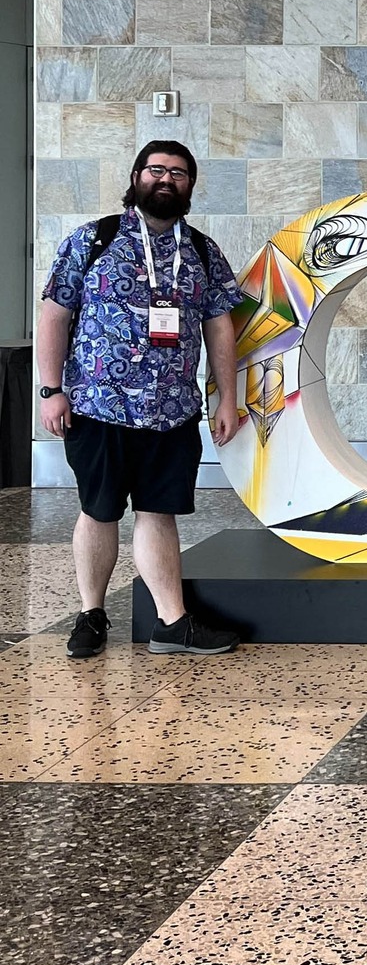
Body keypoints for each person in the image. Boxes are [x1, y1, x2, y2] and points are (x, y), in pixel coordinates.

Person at [37, 141, 245, 659]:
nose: (167, 179)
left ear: (190, 186)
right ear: (137, 176)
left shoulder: (201, 249)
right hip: (96, 405)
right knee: (99, 510)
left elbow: (220, 326)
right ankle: (91, 614)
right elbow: (54, 314)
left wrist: (226, 398)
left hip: (171, 410)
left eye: (179, 173)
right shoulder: (93, 239)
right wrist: (50, 389)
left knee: (159, 513)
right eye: (157, 170)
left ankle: (171, 622)